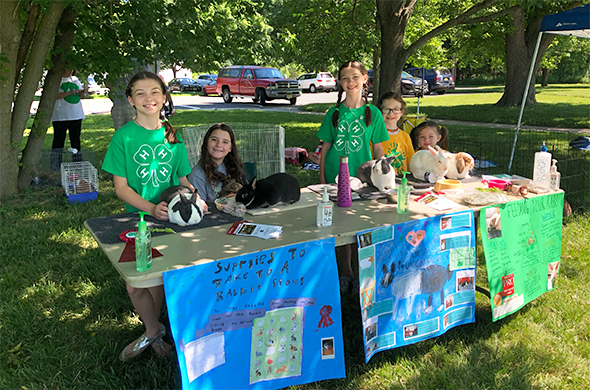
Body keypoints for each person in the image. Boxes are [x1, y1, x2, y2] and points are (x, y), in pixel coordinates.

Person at [102, 71, 205, 361]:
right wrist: (151, 209)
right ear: (130, 100)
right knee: (135, 284)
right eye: (140, 93)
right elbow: (121, 189)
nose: (149, 98)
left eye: (155, 92)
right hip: (139, 220)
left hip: (172, 218)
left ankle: (152, 332)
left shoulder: (173, 135)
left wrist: (195, 199)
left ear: (164, 97)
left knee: (158, 280)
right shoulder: (124, 137)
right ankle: (153, 329)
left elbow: (183, 179)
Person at [316, 60, 389, 294]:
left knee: (363, 225)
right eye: (345, 78)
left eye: (355, 77)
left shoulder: (373, 113)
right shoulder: (334, 113)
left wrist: (383, 173)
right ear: (339, 82)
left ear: (365, 79)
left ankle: (361, 273)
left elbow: (378, 148)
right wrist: (321, 177)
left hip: (364, 176)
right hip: (335, 176)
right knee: (340, 225)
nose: (350, 82)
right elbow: (325, 148)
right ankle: (345, 273)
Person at [187, 123, 245, 202]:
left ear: (230, 148)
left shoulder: (232, 166)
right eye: (214, 140)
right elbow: (199, 208)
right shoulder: (197, 176)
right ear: (206, 143)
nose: (218, 145)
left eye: (225, 142)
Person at [376, 92, 414, 174]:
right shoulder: (375, 136)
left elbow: (410, 164)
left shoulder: (405, 137)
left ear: (401, 112)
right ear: (379, 111)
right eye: (386, 109)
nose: (391, 113)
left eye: (396, 109)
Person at [51, 67, 86, 153]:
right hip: (61, 116)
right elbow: (53, 96)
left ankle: (77, 163)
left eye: (72, 69)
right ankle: (56, 164)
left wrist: (81, 93)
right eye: (69, 68)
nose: (71, 71)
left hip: (76, 115)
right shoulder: (56, 80)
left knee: (76, 141)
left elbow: (82, 96)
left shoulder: (75, 79)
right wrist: (69, 93)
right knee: (58, 141)